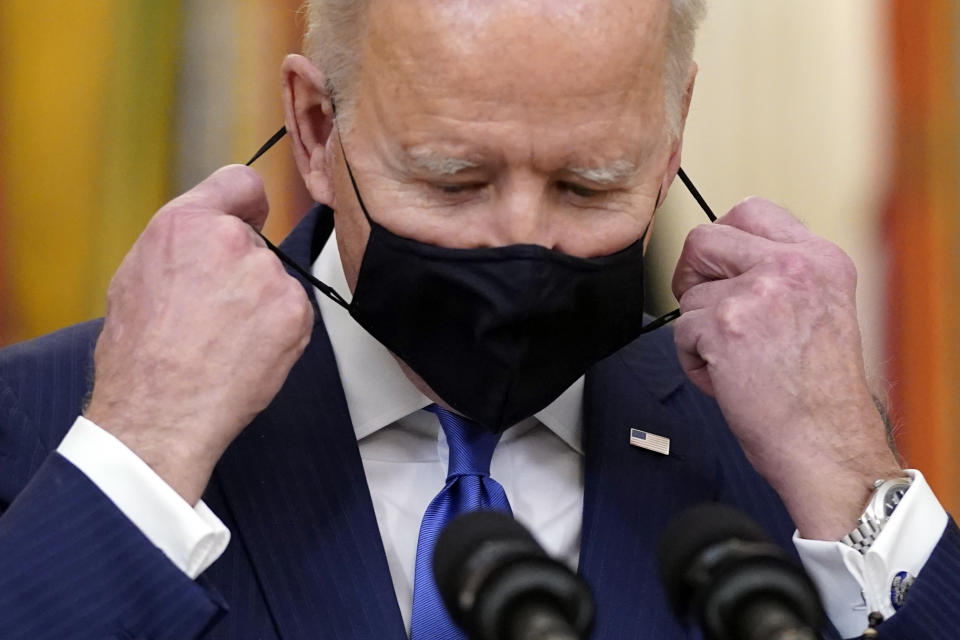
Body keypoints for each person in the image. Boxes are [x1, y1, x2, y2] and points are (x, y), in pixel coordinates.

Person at [0, 1, 956, 638]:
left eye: (589, 186)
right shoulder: (49, 428)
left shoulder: (775, 454)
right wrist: (146, 447)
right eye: (454, 182)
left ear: (671, 145)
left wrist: (849, 468)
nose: (522, 240)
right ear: (317, 128)